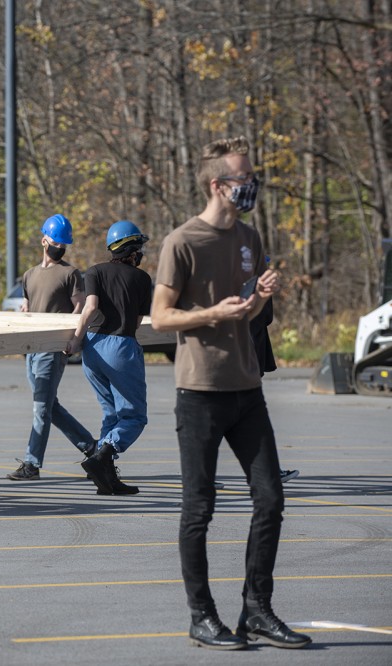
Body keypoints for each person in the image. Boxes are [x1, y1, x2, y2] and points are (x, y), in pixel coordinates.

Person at [151, 136, 310, 650]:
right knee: (199, 510)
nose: (253, 186)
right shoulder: (183, 242)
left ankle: (257, 610)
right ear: (219, 185)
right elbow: (161, 317)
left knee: (271, 498)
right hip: (200, 392)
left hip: (247, 389)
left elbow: (251, 315)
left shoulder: (250, 236)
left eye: (253, 178)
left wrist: (260, 299)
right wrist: (212, 314)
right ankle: (202, 616)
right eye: (244, 179)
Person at [7, 214, 96, 481]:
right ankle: (91, 447)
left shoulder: (70, 274)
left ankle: (32, 464)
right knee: (48, 406)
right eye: (57, 242)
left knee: (41, 408)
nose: (60, 248)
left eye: (64, 244)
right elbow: (26, 307)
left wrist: (74, 339)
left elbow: (79, 307)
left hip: (53, 349)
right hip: (31, 349)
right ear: (44, 240)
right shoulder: (30, 275)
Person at [66, 221, 151, 496]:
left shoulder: (94, 272)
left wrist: (76, 339)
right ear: (132, 250)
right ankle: (104, 454)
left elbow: (90, 308)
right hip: (121, 347)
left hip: (92, 346)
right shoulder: (141, 279)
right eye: (139, 249)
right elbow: (137, 322)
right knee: (135, 417)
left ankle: (107, 480)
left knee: (111, 413)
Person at [250, 297, 299, 484]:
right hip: (241, 357)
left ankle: (270, 469)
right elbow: (265, 315)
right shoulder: (242, 276)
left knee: (250, 417)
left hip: (247, 355)